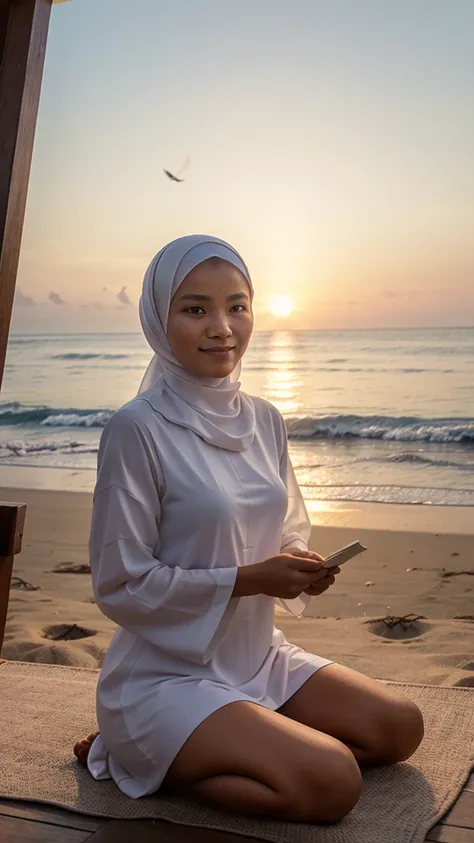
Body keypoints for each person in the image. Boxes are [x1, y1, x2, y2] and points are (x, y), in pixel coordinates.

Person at [76, 235, 423, 823]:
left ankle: (244, 736)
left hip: (257, 657)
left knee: (399, 729)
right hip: (164, 679)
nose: (222, 327)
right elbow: (121, 583)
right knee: (332, 781)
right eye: (195, 309)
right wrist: (250, 578)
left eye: (237, 306)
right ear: (157, 319)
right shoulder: (136, 429)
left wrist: (298, 564)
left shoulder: (264, 418)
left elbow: (283, 526)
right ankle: (131, 756)